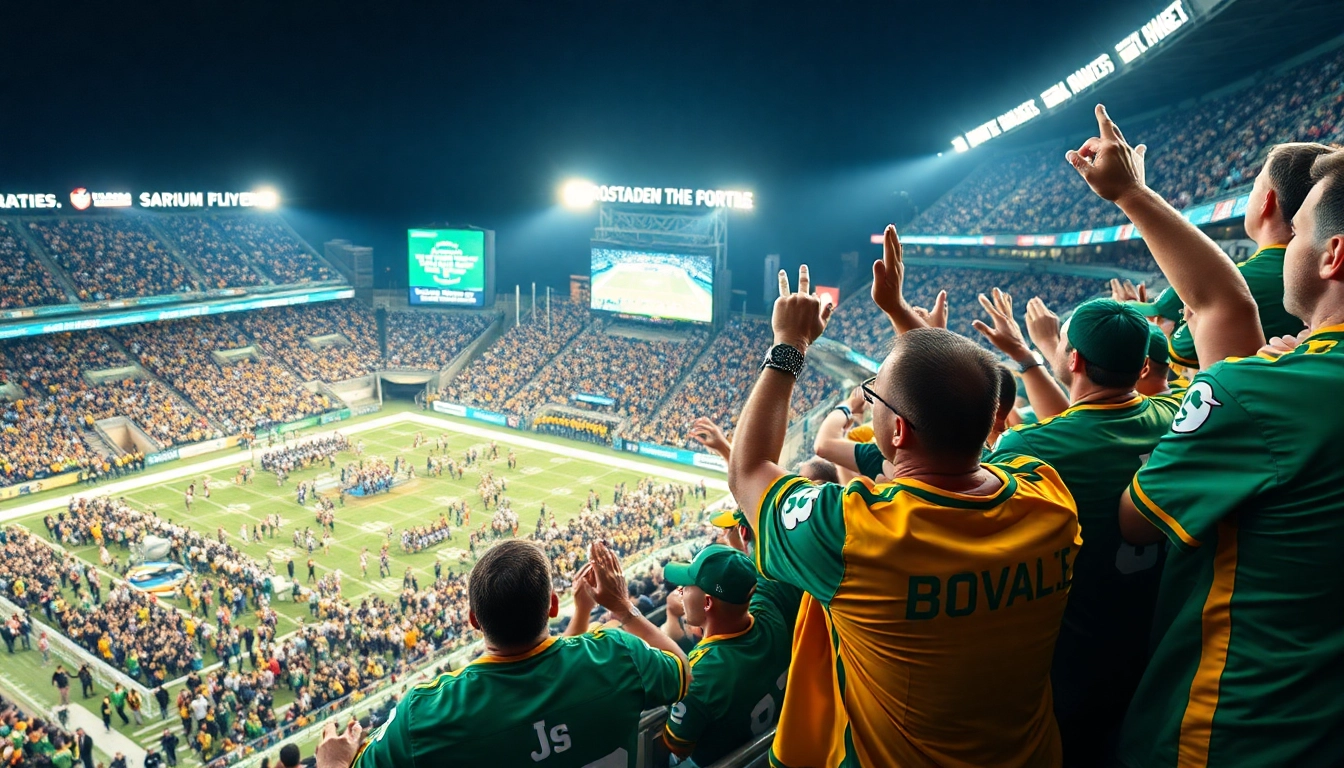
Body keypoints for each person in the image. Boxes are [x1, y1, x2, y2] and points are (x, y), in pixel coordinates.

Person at [1066, 110, 1344, 764]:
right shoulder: (1278, 384)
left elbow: (1137, 520)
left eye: (1300, 233)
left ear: (1335, 255)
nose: (1287, 251)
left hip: (1234, 726)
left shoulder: (1263, 391)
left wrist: (1241, 388)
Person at [728, 263, 1080, 766]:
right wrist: (909, 325)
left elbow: (747, 471)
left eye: (874, 395)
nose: (868, 401)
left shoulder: (854, 533)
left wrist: (788, 345)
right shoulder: (1047, 496)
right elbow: (957, 400)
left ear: (897, 433)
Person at [975, 292, 1179, 765]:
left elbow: (1067, 434)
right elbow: (1082, 426)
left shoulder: (1029, 446)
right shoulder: (1176, 416)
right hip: (1157, 640)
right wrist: (1027, 358)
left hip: (1074, 659)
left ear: (1074, 359)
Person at [335, 539, 690, 766]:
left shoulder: (426, 712)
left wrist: (332, 762)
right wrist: (624, 609)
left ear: (475, 620)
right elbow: (680, 672)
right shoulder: (616, 654)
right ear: (553, 605)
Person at [1139, 142, 1332, 371]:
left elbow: (1183, 354)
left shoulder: (1231, 283)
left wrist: (1153, 327)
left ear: (1266, 202)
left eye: (1254, 188)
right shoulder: (1331, 275)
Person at [657, 545, 800, 766]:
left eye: (686, 585)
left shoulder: (701, 675)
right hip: (770, 746)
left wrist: (626, 614)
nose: (679, 591)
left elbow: (677, 746)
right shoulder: (771, 614)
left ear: (707, 603)